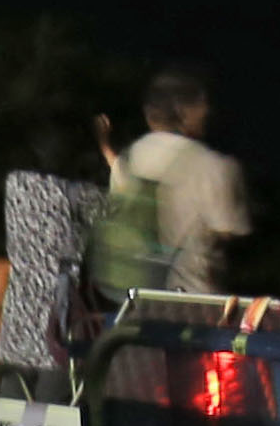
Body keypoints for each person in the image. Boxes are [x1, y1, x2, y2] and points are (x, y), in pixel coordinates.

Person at [94, 65, 251, 299]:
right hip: (192, 302)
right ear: (185, 111)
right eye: (203, 104)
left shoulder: (130, 157)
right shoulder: (215, 166)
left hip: (130, 299)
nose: (208, 111)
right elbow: (229, 230)